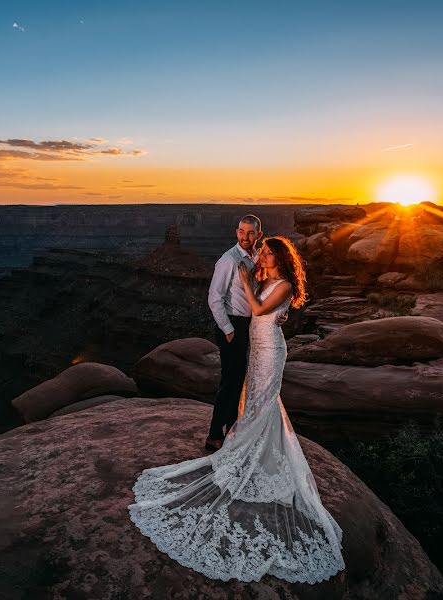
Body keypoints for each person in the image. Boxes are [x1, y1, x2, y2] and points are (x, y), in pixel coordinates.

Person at [128, 237, 345, 584]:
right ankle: (252, 449)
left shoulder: (284, 284)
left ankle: (258, 453)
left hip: (272, 348)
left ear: (282, 257)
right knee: (253, 398)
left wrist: (245, 280)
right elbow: (247, 305)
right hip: (256, 346)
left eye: (271, 252)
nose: (265, 254)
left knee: (264, 400)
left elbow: (260, 311)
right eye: (265, 251)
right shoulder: (265, 277)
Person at [204, 214, 262, 453]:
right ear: (236, 232)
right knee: (230, 382)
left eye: (250, 233)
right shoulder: (229, 260)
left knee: (238, 380)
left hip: (249, 326)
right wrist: (228, 330)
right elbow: (214, 298)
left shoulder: (257, 258)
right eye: (241, 231)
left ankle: (231, 429)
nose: (244, 237)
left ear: (258, 235)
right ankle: (214, 436)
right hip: (233, 326)